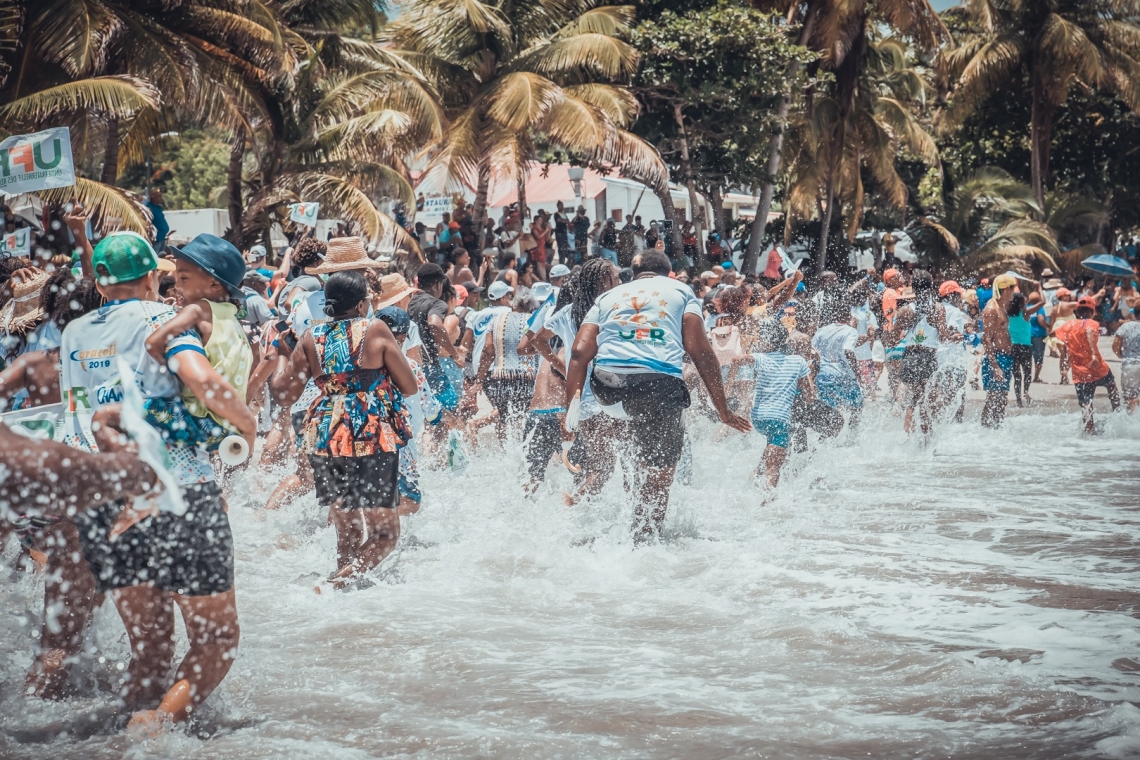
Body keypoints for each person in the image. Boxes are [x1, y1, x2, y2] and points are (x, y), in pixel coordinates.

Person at [59, 231, 256, 728]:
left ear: (101, 285)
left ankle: (127, 730)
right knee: (215, 640)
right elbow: (201, 378)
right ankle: (158, 727)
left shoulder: (74, 333)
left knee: (149, 646)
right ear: (151, 276)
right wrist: (247, 424)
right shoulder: (162, 319)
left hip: (100, 497)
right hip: (175, 490)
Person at [563, 249, 750, 543]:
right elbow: (700, 351)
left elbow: (577, 352)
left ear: (634, 275)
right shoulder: (681, 290)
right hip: (656, 386)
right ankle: (645, 541)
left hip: (606, 389)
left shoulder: (609, 296)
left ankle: (617, 515)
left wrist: (569, 414)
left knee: (634, 433)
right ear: (668, 273)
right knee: (659, 474)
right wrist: (723, 410)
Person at [270, 271, 419, 586]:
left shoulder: (312, 337)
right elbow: (409, 386)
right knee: (385, 534)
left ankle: (341, 604)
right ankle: (335, 585)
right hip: (371, 433)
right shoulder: (374, 329)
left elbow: (283, 394)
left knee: (348, 535)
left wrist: (285, 356)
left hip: (327, 434)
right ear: (363, 303)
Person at [139, 234, 254, 450]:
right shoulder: (233, 320)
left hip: (198, 422)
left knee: (114, 412)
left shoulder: (196, 310)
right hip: (227, 426)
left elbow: (153, 342)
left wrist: (169, 374)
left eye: (183, 279)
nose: (177, 286)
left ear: (213, 284)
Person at [747, 318, 812, 489]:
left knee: (769, 451)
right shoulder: (798, 361)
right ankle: (766, 505)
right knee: (774, 469)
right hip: (779, 419)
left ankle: (752, 482)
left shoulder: (761, 358)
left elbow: (739, 360)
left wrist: (728, 384)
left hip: (759, 418)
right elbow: (809, 392)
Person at [473, 281, 537, 440]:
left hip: (499, 377)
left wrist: (480, 379)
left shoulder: (496, 320)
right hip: (526, 378)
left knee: (503, 415)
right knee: (522, 417)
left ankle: (504, 452)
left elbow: (488, 351)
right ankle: (520, 452)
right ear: (530, 306)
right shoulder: (533, 321)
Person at [1055, 296, 1120, 433]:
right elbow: (1089, 332)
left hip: (1080, 373)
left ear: (1077, 312)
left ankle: (1089, 431)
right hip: (1097, 368)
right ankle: (1119, 416)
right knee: (1112, 387)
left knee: (1086, 404)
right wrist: (1094, 355)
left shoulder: (1068, 325)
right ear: (1092, 312)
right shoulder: (1091, 323)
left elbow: (1055, 334)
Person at [409, 263, 465, 411]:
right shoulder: (437, 303)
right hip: (431, 366)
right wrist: (454, 354)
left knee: (429, 412)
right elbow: (434, 324)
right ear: (437, 284)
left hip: (414, 366)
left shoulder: (412, 302)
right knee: (451, 408)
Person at [981, 274, 1017, 428]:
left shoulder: (1002, 306)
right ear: (1006, 289)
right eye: (1012, 288)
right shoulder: (991, 308)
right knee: (993, 397)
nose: (1014, 292)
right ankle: (985, 429)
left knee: (1002, 398)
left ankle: (997, 430)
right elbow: (986, 338)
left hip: (1005, 357)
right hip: (996, 358)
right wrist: (995, 366)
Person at [1007, 291, 1036, 406]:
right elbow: (1042, 302)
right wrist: (1038, 287)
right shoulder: (1025, 313)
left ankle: (1019, 399)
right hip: (1025, 346)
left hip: (1013, 347)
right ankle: (1025, 392)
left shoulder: (1007, 314)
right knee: (1027, 372)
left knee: (1017, 375)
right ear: (1020, 303)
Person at [1112, 305, 1140, 413]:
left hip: (1130, 365)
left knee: (1130, 397)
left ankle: (1133, 421)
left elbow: (1115, 346)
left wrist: (1120, 355)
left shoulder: (1126, 326)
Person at [145, 187, 170, 253]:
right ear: (153, 197)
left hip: (162, 237)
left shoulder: (159, 208)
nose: (161, 197)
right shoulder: (149, 208)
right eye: (159, 196)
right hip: (156, 240)